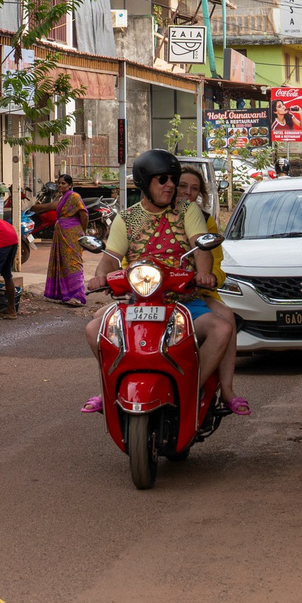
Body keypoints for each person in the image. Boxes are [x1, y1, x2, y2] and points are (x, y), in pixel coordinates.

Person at [81, 150, 248, 417]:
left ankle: (191, 387)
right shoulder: (127, 218)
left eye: (173, 179)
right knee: (94, 329)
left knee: (221, 328)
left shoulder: (188, 210)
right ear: (144, 182)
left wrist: (204, 273)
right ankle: (111, 388)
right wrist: (100, 275)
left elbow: (200, 247)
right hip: (137, 303)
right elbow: (110, 258)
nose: (170, 185)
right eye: (163, 179)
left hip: (184, 301)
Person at [174, 165, 242, 412]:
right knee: (103, 323)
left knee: (226, 318)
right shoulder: (150, 216)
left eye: (194, 189)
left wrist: (208, 277)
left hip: (198, 294)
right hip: (151, 293)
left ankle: (227, 389)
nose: (188, 193)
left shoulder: (205, 221)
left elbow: (216, 262)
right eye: (182, 186)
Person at [39, 173, 88, 307]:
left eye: (63, 183)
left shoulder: (74, 196)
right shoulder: (62, 198)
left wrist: (82, 233)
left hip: (73, 234)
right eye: (59, 183)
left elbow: (84, 214)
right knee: (62, 262)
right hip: (61, 233)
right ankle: (63, 294)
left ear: (70, 185)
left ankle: (77, 296)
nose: (60, 185)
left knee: (73, 263)